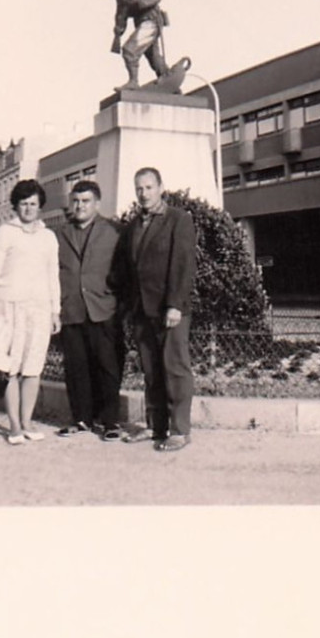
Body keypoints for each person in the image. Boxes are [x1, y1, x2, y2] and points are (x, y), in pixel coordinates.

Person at [120, 167, 196, 452]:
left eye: (149, 187)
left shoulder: (179, 220)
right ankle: (156, 426)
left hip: (170, 309)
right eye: (139, 188)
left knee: (175, 368)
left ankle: (179, 430)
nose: (143, 194)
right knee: (151, 371)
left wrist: (175, 305)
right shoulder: (133, 226)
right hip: (142, 310)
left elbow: (183, 264)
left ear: (161, 187)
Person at [0, 179, 61, 445]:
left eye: (33, 204)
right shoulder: (4, 233)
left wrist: (55, 311)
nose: (28, 209)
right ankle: (14, 425)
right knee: (11, 369)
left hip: (39, 309)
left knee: (33, 367)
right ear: (16, 206)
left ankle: (27, 421)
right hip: (9, 307)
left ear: (40, 206)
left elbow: (53, 276)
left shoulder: (48, 237)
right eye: (24, 204)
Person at [55, 180, 124, 441]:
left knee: (108, 366)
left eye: (85, 201)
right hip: (72, 309)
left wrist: (118, 302)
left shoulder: (115, 231)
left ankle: (110, 422)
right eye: (76, 201)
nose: (80, 206)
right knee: (76, 367)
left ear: (97, 203)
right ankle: (81, 419)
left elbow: (124, 270)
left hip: (103, 308)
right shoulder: (60, 233)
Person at [101, 0, 170, 91]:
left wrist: (140, 3)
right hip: (143, 24)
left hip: (151, 22)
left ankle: (133, 82)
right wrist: (118, 31)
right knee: (153, 56)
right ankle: (168, 80)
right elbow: (121, 15)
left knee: (129, 50)